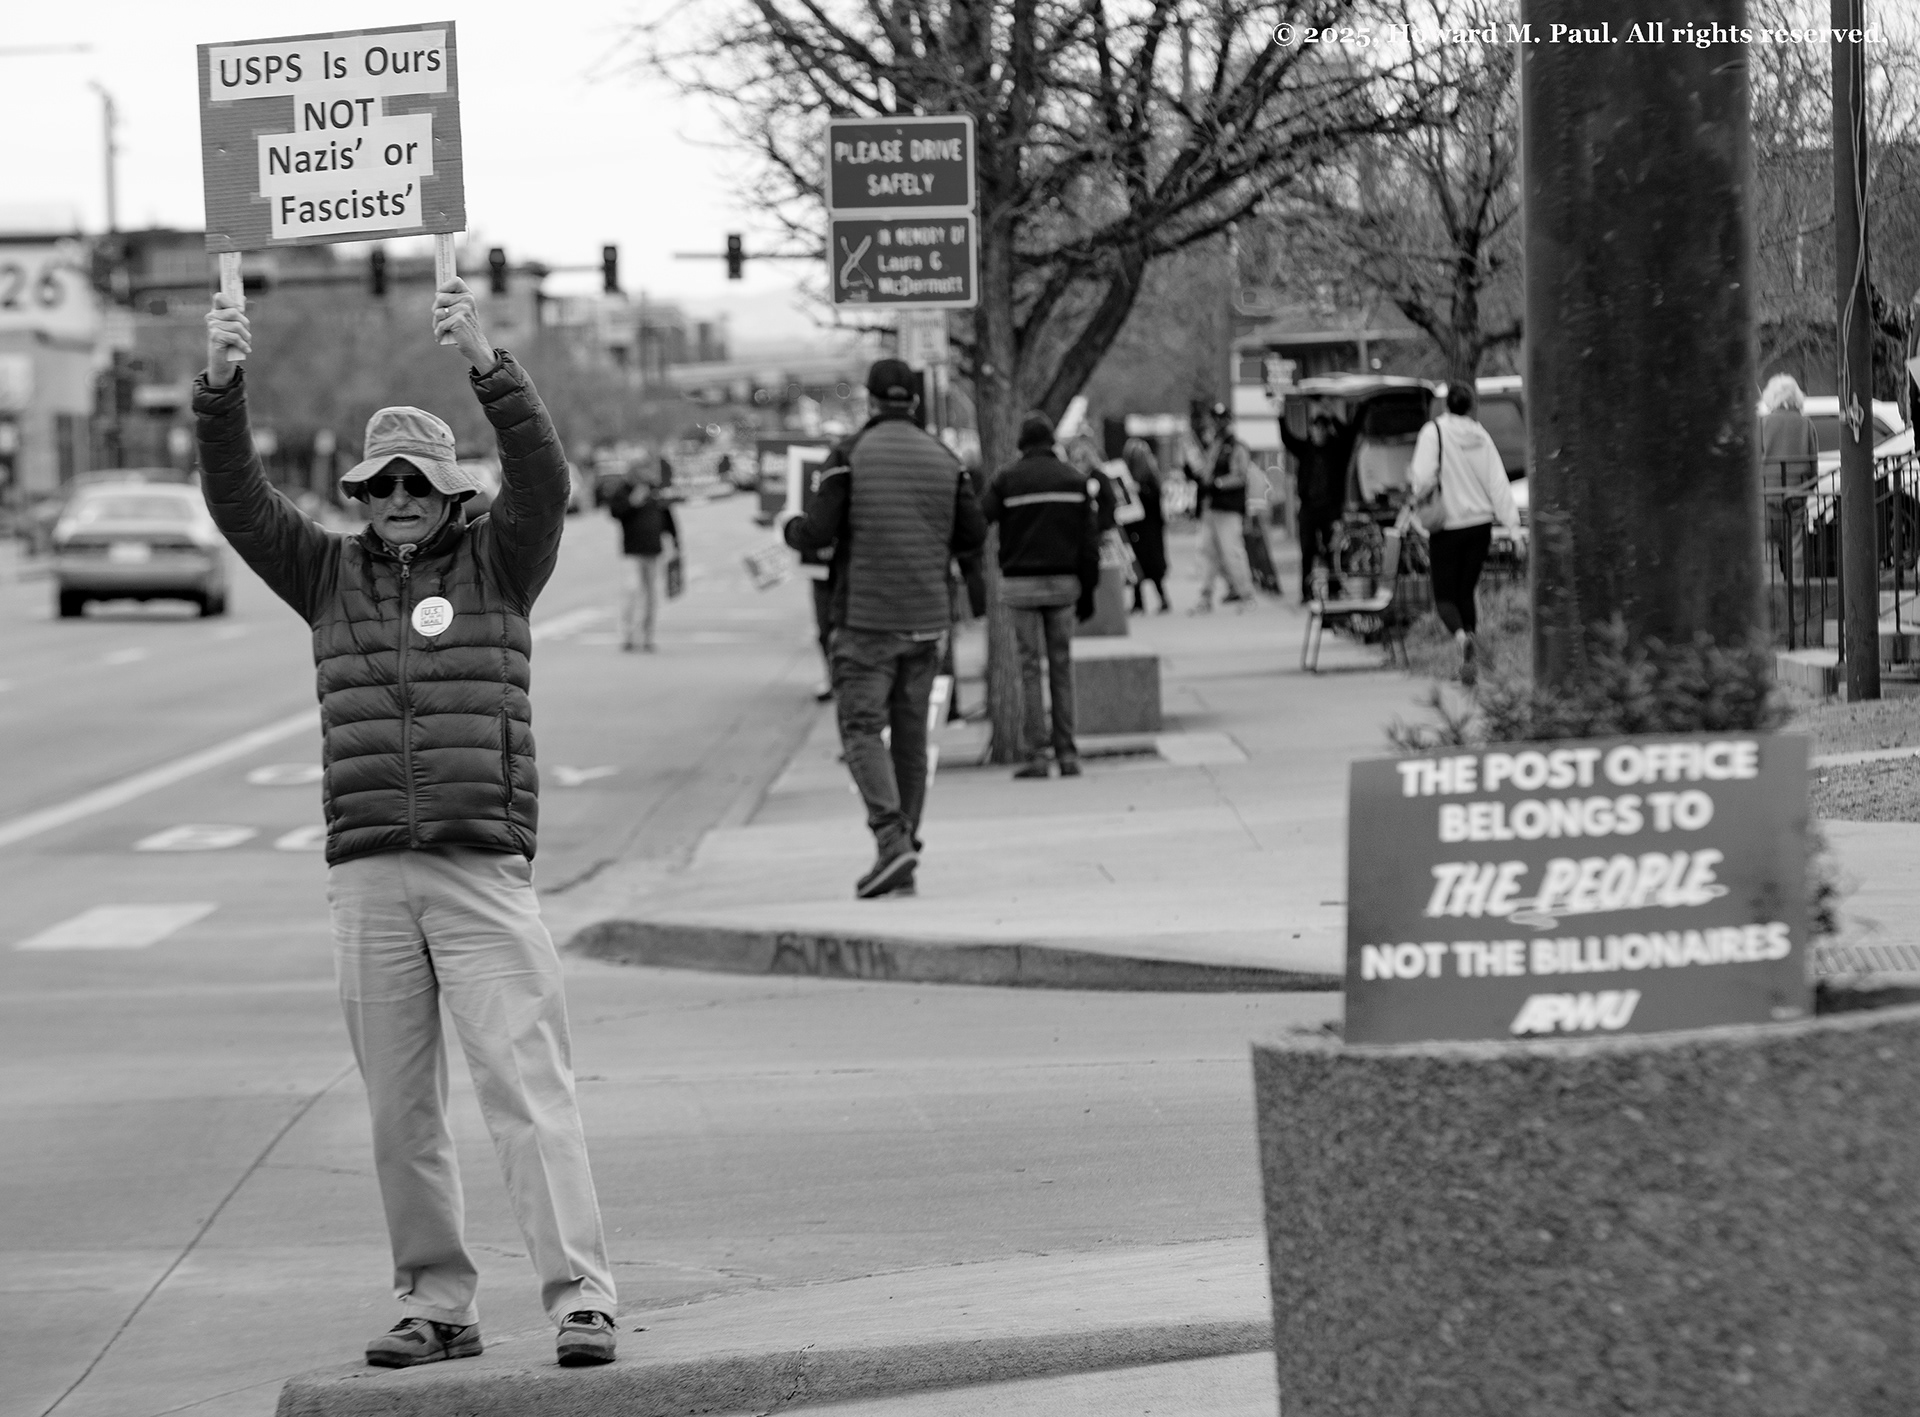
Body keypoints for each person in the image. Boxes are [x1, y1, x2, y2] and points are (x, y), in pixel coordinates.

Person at [196, 280, 620, 1371]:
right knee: (400, 1114)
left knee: (529, 1093)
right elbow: (240, 499)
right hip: (370, 877)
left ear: (448, 489)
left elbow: (546, 475)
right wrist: (219, 384)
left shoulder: (502, 560)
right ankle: (437, 1304)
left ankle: (580, 1298)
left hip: (480, 869)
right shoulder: (324, 572)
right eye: (378, 479)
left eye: (415, 479)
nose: (394, 493)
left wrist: (488, 360)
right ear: (358, 490)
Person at [782, 358, 987, 898]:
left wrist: (792, 529)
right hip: (927, 622)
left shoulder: (850, 456)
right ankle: (904, 847)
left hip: (867, 619)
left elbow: (818, 530)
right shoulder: (946, 459)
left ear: (871, 402)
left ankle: (891, 841)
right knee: (913, 736)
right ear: (914, 403)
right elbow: (973, 533)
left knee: (861, 729)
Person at [984, 412, 1102, 778]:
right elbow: (1088, 543)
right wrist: (1089, 590)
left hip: (1020, 586)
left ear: (1021, 443)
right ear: (1052, 441)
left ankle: (1037, 754)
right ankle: (1068, 753)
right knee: (1062, 668)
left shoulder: (1007, 480)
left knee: (1029, 668)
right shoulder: (1074, 480)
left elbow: (979, 519)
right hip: (1064, 584)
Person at [1408, 384, 1521, 685]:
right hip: (1480, 527)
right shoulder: (1480, 435)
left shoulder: (1433, 433)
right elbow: (1497, 482)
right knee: (1465, 591)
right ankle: (1468, 664)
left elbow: (1421, 478)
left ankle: (1460, 638)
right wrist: (1512, 527)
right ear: (1471, 406)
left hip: (1447, 527)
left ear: (1446, 406)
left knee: (1445, 596)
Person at [1281, 406, 1356, 603]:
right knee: (1307, 550)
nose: (1319, 432)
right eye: (1316, 428)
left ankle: (1333, 588)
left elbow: (1349, 436)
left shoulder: (1336, 449)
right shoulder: (1306, 449)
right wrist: (1280, 415)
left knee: (1333, 550)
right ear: (1311, 430)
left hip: (1331, 508)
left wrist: (1332, 413)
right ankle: (1306, 591)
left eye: (1323, 428)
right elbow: (1288, 440)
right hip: (1309, 507)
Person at [1188, 401, 1258, 611]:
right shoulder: (1213, 446)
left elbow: (1240, 476)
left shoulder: (1237, 446)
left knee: (1232, 552)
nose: (1218, 424)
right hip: (1210, 507)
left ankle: (1247, 595)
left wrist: (1218, 484)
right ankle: (1205, 597)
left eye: (1221, 420)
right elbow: (1204, 472)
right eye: (1215, 419)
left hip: (1228, 508)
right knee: (1207, 553)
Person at [606, 464, 679, 651]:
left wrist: (675, 542)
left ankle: (647, 635)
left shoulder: (655, 492)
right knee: (631, 591)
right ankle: (627, 635)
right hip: (632, 551)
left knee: (650, 596)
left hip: (653, 550)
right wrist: (633, 501)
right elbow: (615, 512)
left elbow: (668, 517)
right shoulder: (624, 491)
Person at [1757, 373, 1819, 581]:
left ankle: (1773, 601)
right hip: (1796, 497)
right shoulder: (1806, 425)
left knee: (1768, 551)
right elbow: (1813, 465)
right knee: (1796, 549)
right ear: (1795, 397)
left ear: (1771, 397)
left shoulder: (1762, 425)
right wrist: (1808, 488)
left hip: (1766, 497)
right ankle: (1798, 597)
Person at [1121, 438, 1170, 613]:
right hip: (1137, 528)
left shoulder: (1150, 478)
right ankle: (1138, 601)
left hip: (1148, 528)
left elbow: (1154, 502)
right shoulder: (1129, 476)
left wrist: (1140, 491)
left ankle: (1162, 598)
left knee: (1151, 567)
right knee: (1137, 566)